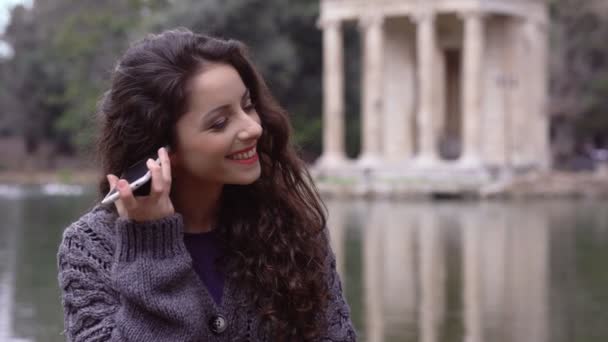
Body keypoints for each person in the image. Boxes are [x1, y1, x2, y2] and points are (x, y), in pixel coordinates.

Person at [56, 27, 356, 341]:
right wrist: (150, 244)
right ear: (161, 146)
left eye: (248, 105)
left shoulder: (292, 226)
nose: (253, 127)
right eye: (220, 123)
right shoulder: (90, 248)